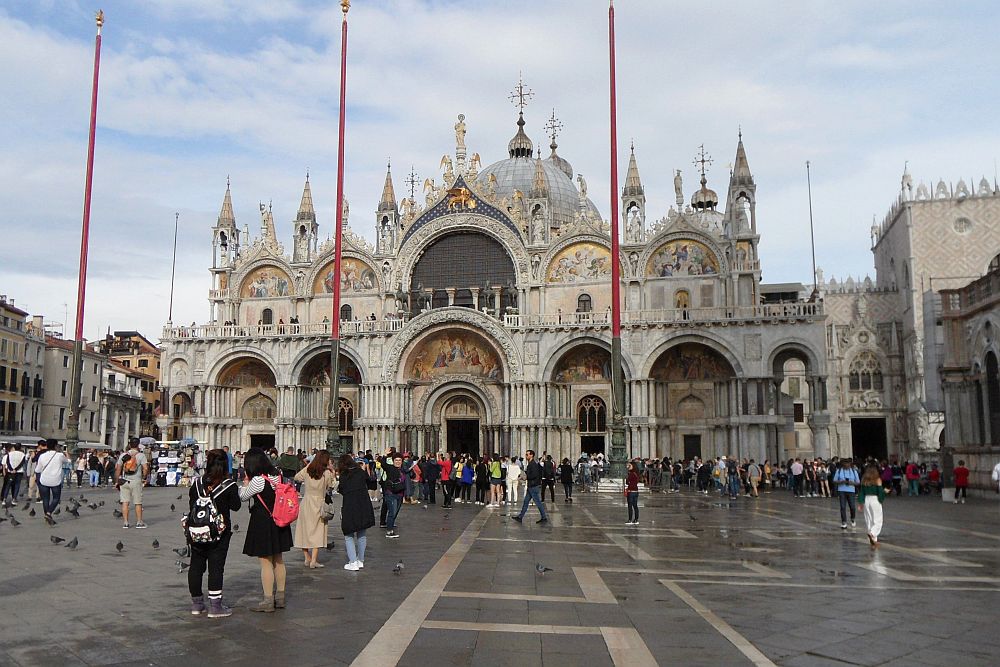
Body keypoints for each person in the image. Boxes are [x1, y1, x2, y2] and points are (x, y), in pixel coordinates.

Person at [187, 449, 241, 618]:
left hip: (197, 531)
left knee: (196, 566)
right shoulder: (229, 485)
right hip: (219, 532)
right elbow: (236, 506)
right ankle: (215, 607)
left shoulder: (197, 484)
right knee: (216, 568)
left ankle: (197, 604)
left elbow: (192, 505)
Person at [240, 448, 292, 612]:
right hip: (279, 519)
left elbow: (243, 497)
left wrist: (245, 484)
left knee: (265, 562)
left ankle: (268, 600)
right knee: (278, 559)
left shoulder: (258, 480)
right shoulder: (278, 475)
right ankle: (281, 597)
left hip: (263, 521)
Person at [294, 451, 336, 567]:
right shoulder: (326, 473)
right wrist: (332, 473)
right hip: (319, 503)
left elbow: (297, 477)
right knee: (318, 531)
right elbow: (331, 486)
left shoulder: (308, 469)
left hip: (306, 502)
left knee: (304, 530)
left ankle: (307, 557)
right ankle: (313, 560)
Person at [337, 454, 375, 571]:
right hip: (363, 505)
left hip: (350, 506)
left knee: (348, 534)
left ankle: (352, 562)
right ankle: (360, 560)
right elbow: (371, 483)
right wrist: (364, 470)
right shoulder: (360, 472)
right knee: (361, 533)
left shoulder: (344, 475)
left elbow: (341, 490)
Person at [116, 438, 149, 529]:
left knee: (125, 503)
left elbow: (118, 468)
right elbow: (145, 468)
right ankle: (139, 522)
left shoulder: (123, 455)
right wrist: (144, 477)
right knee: (138, 502)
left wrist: (117, 480)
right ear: (138, 445)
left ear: (130, 445)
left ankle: (126, 523)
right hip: (136, 481)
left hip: (124, 481)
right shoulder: (141, 455)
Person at [35, 439, 68, 524]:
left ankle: (46, 514)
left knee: (45, 499)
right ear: (55, 446)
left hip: (44, 480)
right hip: (55, 480)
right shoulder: (60, 455)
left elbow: (37, 470)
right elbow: (68, 461)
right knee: (56, 498)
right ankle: (49, 513)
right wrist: (66, 454)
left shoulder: (42, 456)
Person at [512, 450, 548, 524]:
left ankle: (544, 517)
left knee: (538, 502)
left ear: (531, 455)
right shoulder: (531, 464)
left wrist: (525, 477)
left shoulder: (533, 464)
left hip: (533, 486)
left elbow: (534, 475)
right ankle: (520, 517)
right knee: (525, 502)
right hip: (531, 486)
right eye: (526, 454)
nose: (526, 456)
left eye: (527, 454)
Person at [857, 465, 886, 549]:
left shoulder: (864, 481)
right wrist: (883, 492)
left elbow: (861, 492)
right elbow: (880, 493)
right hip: (874, 499)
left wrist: (860, 503)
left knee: (869, 519)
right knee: (878, 520)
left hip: (867, 500)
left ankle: (874, 540)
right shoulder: (877, 480)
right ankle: (872, 533)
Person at [832, 458, 860, 529]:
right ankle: (844, 522)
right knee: (842, 507)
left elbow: (858, 482)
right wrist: (841, 482)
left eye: (848, 463)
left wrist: (851, 483)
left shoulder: (854, 471)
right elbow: (834, 481)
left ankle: (853, 518)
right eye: (845, 463)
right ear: (843, 464)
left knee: (852, 507)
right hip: (842, 490)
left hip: (851, 490)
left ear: (850, 464)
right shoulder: (839, 471)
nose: (847, 465)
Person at [381, 454, 405, 538]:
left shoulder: (402, 470)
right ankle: (389, 531)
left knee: (395, 512)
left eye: (399, 460)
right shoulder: (390, 468)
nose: (398, 462)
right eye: (396, 460)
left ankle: (390, 526)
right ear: (393, 461)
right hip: (391, 494)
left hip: (400, 494)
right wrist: (385, 455)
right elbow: (383, 464)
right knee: (392, 512)